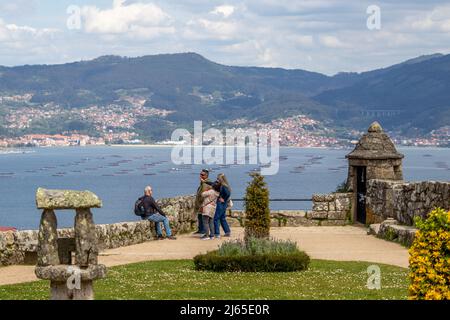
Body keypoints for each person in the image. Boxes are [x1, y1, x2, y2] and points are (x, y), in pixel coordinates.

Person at [193, 169, 212, 235]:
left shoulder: (206, 183)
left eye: (202, 175)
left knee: (203, 218)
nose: (200, 176)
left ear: (206, 175)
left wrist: (202, 204)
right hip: (201, 203)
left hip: (203, 203)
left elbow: (203, 194)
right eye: (200, 174)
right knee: (200, 217)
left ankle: (204, 231)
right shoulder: (203, 182)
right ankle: (200, 229)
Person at [213, 173, 232, 239]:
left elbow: (228, 193)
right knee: (222, 218)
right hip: (224, 204)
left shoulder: (223, 186)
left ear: (221, 179)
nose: (217, 180)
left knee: (216, 218)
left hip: (221, 204)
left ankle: (217, 234)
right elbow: (213, 185)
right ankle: (227, 232)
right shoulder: (225, 185)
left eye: (218, 178)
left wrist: (223, 199)